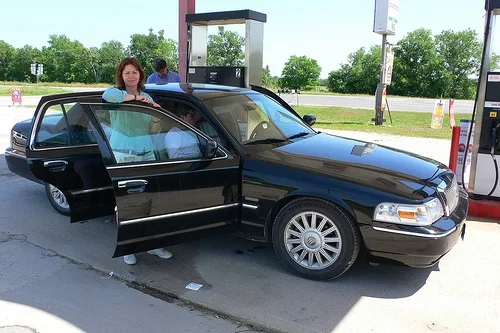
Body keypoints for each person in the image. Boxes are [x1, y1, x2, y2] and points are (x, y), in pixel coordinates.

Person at [102, 57, 173, 265]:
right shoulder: (116, 94)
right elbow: (107, 95)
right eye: (127, 73)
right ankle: (128, 248)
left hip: (146, 155)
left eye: (134, 72)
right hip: (124, 155)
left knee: (151, 202)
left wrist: (156, 116)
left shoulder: (147, 96)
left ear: (140, 75)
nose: (131, 76)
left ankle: (152, 245)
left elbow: (153, 131)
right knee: (127, 204)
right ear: (121, 76)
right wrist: (132, 100)